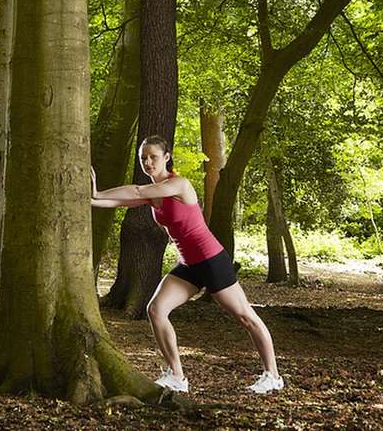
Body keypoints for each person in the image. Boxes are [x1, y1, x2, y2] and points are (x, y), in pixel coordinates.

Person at [90, 135, 283, 394]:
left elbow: (136, 191)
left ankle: (273, 375)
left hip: (211, 260)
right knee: (156, 310)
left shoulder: (178, 184)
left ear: (166, 158)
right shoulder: (152, 195)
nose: (148, 162)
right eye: (143, 158)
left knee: (245, 317)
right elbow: (121, 200)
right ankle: (177, 376)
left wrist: (98, 192)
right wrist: (92, 198)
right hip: (189, 264)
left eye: (153, 157)